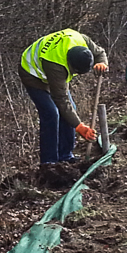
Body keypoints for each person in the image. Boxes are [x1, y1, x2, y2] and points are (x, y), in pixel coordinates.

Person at [18, 28, 108, 184]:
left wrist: (102, 63)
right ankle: (49, 164)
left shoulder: (81, 40)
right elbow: (60, 99)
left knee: (69, 112)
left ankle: (66, 156)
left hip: (50, 70)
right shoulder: (56, 65)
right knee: (52, 114)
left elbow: (100, 53)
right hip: (32, 74)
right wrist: (79, 127)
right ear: (71, 65)